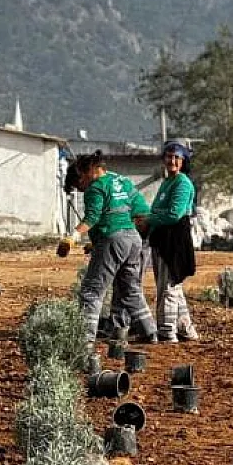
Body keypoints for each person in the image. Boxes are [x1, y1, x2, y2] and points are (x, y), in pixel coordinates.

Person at [60, 152, 156, 347]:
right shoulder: (122, 181)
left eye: (81, 179)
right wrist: (104, 240)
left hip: (113, 239)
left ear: (90, 171)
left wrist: (72, 237)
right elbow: (142, 211)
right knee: (130, 289)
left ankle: (84, 339)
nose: (82, 185)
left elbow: (92, 217)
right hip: (133, 239)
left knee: (92, 290)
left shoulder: (95, 188)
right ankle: (149, 331)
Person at [147, 140, 199, 342]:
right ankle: (185, 329)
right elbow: (157, 210)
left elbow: (174, 214)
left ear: (183, 161)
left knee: (168, 286)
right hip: (162, 238)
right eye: (169, 156)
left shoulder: (182, 183)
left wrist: (150, 219)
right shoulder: (167, 182)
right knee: (171, 285)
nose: (172, 161)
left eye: (177, 157)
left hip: (175, 239)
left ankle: (167, 332)